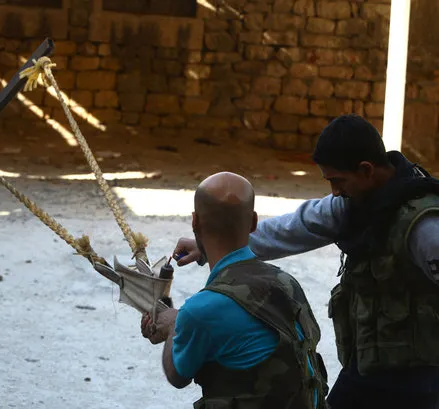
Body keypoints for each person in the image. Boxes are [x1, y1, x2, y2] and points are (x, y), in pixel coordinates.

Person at [174, 114, 439, 409]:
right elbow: (294, 228)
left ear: (366, 170)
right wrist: (207, 242)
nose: (334, 191)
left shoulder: (423, 227)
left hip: (420, 376)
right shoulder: (356, 204)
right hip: (371, 364)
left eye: (338, 181)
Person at [141, 171, 328, 409]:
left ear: (194, 222)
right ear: (253, 222)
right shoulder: (286, 281)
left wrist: (173, 326)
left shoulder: (201, 310)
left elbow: (177, 375)